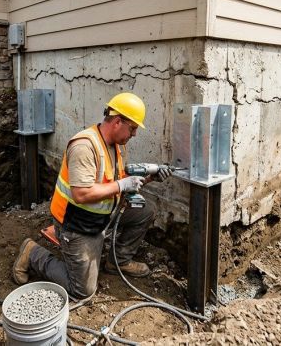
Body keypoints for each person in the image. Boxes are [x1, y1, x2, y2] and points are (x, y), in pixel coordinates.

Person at [12, 92, 171, 300]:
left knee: (145, 211)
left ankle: (118, 261)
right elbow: (81, 194)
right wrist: (122, 184)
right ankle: (33, 253)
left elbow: (116, 182)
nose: (134, 134)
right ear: (117, 122)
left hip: (102, 215)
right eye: (132, 128)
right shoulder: (84, 147)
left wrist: (149, 178)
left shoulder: (117, 146)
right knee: (82, 291)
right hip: (76, 224)